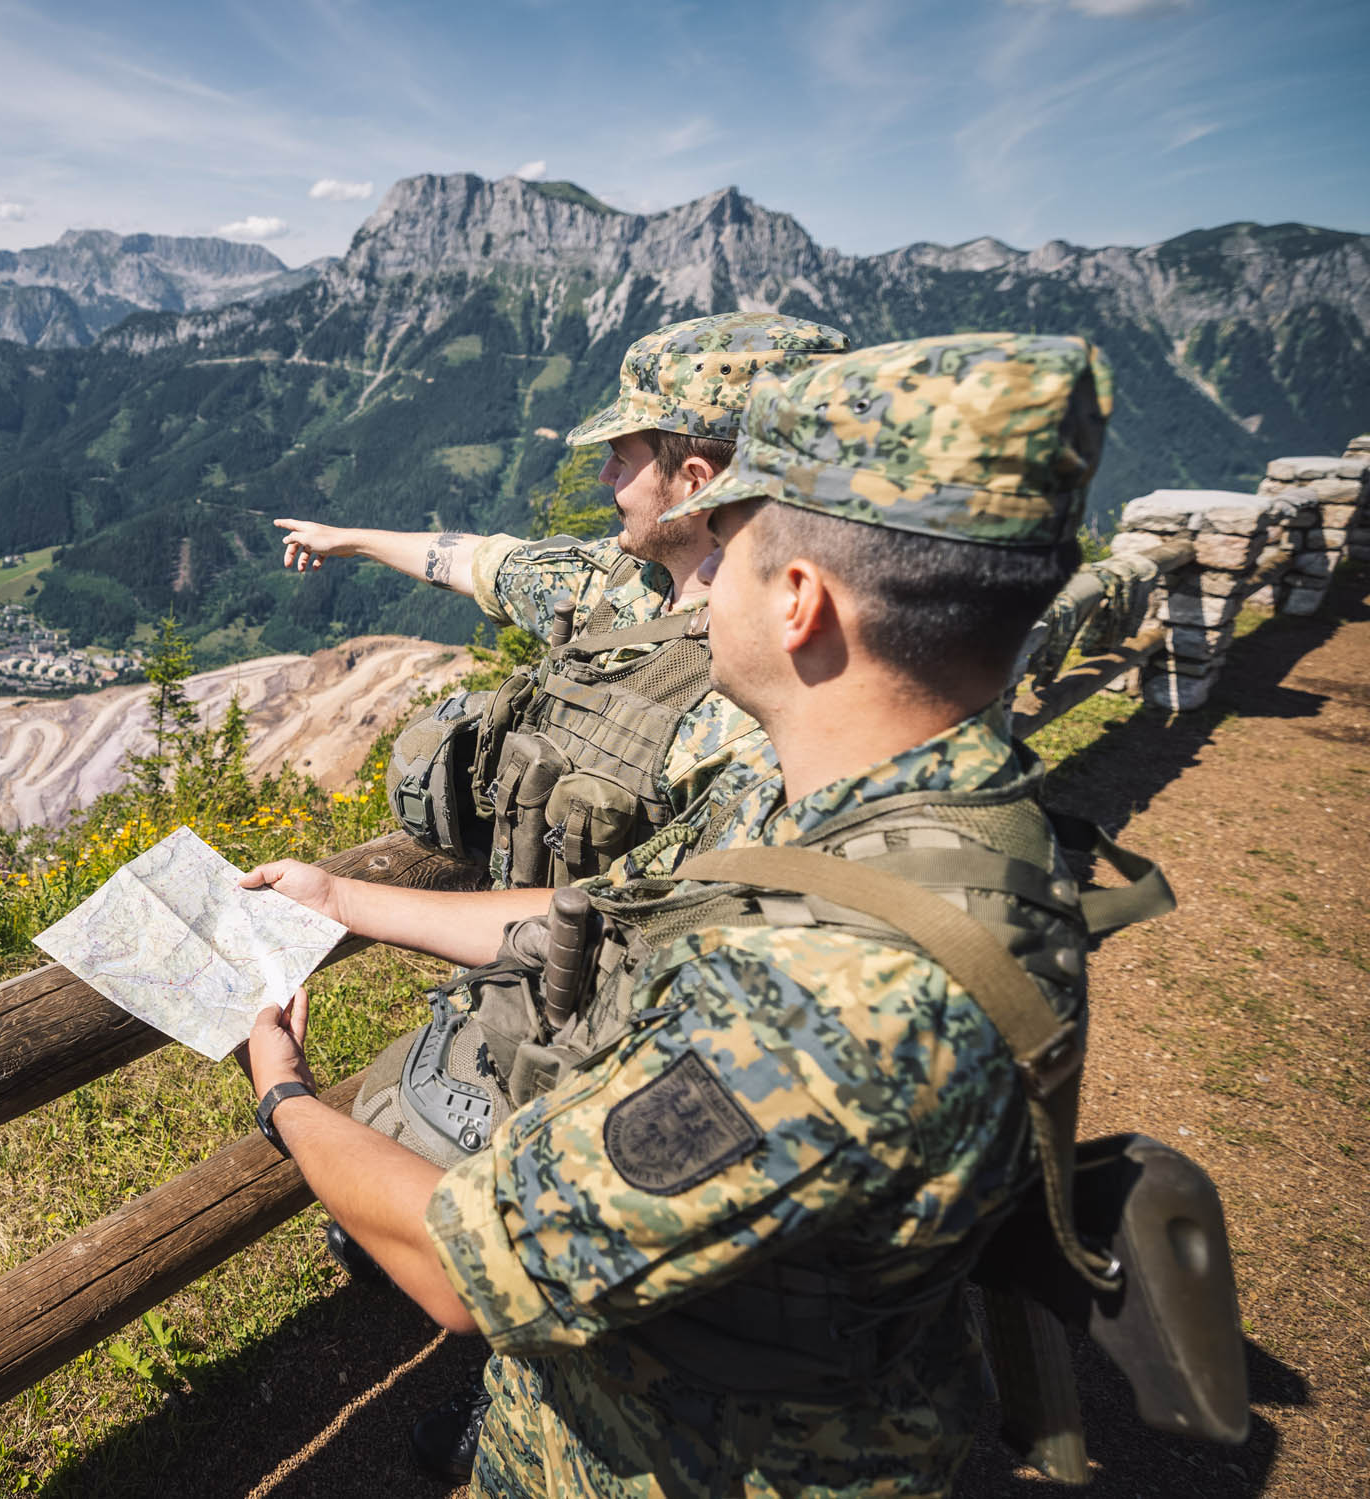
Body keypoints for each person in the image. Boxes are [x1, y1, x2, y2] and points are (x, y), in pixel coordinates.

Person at [238, 332, 1132, 1496]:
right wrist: (344, 897)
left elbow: (474, 1259)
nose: (704, 581)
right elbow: (610, 916)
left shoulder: (835, 1003)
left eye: (732, 543)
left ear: (800, 599)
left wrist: (286, 1093)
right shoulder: (898, 816)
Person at [274, 312, 850, 878]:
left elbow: (661, 920)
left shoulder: (764, 704)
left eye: (622, 459)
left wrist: (345, 901)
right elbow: (480, 562)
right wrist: (350, 541)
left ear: (694, 484)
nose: (605, 477)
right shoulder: (622, 580)